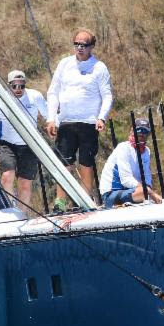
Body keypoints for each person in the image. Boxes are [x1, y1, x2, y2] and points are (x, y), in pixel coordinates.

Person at [46, 29, 112, 209]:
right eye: (76, 44)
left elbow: (107, 95)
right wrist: (51, 119)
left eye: (84, 45)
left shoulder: (99, 67)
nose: (80, 48)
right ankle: (60, 201)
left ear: (91, 46)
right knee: (64, 163)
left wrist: (102, 118)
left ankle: (84, 200)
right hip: (66, 122)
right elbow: (53, 92)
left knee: (86, 162)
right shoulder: (64, 64)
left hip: (89, 122)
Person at [0, 69, 49, 210]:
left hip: (29, 144)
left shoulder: (35, 96)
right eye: (14, 86)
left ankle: (22, 214)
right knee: (7, 176)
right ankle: (10, 209)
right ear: (9, 85)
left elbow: (48, 114)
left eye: (21, 85)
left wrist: (53, 124)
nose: (18, 89)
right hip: (7, 143)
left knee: (24, 183)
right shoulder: (0, 97)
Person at [99, 118, 161, 207]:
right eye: (139, 130)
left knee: (149, 194)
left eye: (145, 131)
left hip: (132, 192)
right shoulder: (123, 148)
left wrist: (149, 190)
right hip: (111, 194)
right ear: (132, 131)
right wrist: (150, 192)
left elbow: (147, 178)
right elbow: (126, 180)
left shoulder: (146, 151)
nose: (142, 134)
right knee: (144, 192)